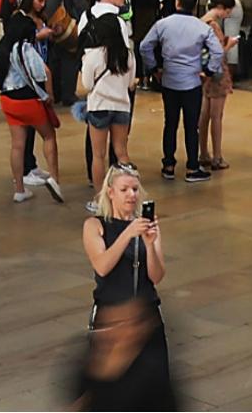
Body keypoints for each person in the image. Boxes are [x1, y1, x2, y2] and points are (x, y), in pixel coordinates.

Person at [81, 165, 168, 399]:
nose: (131, 195)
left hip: (145, 316)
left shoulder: (145, 225)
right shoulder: (95, 226)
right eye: (124, 189)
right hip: (112, 317)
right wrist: (127, 234)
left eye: (135, 189)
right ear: (110, 192)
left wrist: (150, 244)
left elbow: (157, 276)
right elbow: (102, 265)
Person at [0, 0, 63, 205]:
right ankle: (54, 180)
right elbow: (45, 72)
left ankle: (20, 189)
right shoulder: (25, 48)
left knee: (17, 145)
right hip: (28, 100)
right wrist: (48, 94)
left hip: (7, 100)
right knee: (49, 136)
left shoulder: (2, 49)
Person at [139, 0, 222, 182]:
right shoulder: (201, 27)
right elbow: (217, 52)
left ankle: (168, 165)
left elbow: (144, 46)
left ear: (177, 2)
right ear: (193, 5)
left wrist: (154, 68)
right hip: (192, 81)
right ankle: (192, 167)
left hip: (169, 80)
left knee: (170, 123)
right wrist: (208, 71)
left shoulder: (163, 24)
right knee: (191, 126)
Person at [80, 0, 137, 198]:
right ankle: (130, 193)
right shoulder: (128, 55)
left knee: (98, 155)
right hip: (121, 104)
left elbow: (86, 84)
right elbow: (132, 80)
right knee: (122, 152)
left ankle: (100, 197)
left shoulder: (94, 53)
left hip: (99, 104)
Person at [196, 0, 238, 172]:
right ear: (221, 8)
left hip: (203, 73)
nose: (227, 16)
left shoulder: (200, 21)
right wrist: (230, 44)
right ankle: (217, 156)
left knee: (204, 115)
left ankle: (203, 152)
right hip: (217, 73)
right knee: (216, 116)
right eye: (228, 12)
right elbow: (219, 51)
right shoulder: (213, 26)